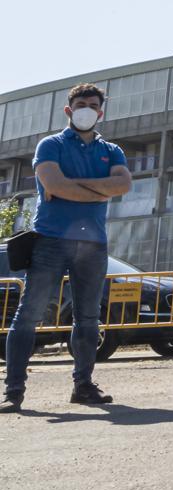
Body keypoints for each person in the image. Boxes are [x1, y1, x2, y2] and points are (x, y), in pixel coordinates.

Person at [1, 84, 131, 414]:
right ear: (68, 110)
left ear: (101, 112)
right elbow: (53, 185)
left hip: (93, 245)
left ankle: (83, 386)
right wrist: (99, 191)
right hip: (50, 241)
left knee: (88, 319)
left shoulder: (113, 151)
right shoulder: (51, 144)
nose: (86, 109)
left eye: (92, 105)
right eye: (80, 104)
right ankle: (13, 391)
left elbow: (122, 185)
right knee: (28, 315)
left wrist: (71, 188)